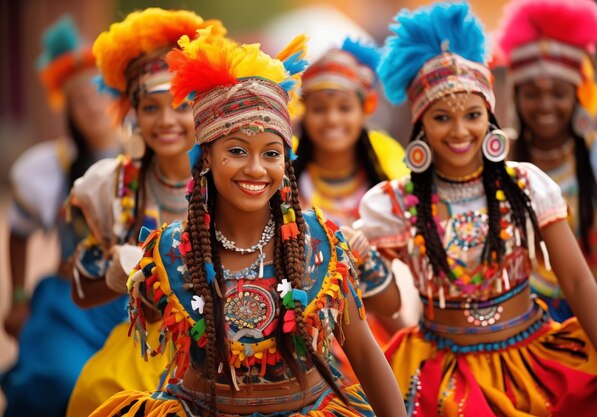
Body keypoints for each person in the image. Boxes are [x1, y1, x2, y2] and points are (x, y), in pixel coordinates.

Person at [90, 27, 406, 417]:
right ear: (205, 158)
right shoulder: (170, 250)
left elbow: (363, 352)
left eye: (271, 153)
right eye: (237, 151)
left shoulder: (320, 243)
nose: (256, 169)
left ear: (285, 162)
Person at [355, 2, 597, 415]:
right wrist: (364, 260)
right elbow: (390, 306)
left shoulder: (525, 183)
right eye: (442, 117)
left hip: (530, 352)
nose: (460, 130)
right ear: (420, 125)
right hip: (441, 370)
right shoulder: (392, 202)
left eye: (473, 115)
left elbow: (575, 279)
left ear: (490, 119)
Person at [65, 9, 219, 417]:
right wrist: (117, 275)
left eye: (178, 106)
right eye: (151, 108)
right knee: (96, 395)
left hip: (231, 350)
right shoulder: (114, 186)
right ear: (133, 114)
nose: (165, 121)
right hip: (143, 351)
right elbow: (81, 290)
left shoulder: (233, 175)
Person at [0, 16, 122, 417]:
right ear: (67, 109)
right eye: (80, 100)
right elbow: (19, 233)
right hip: (69, 300)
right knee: (62, 382)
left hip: (132, 302)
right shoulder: (47, 167)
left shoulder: (147, 154)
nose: (92, 106)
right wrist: (18, 298)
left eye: (99, 94)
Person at [497, 0, 597, 322]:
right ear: (516, 98)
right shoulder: (501, 159)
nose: (545, 105)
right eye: (532, 94)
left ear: (578, 97)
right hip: (524, 318)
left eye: (558, 93)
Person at [296, 37, 409, 383]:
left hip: (384, 311)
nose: (332, 119)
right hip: (309, 324)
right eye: (319, 108)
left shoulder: (389, 163)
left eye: (344, 108)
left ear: (367, 107)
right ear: (305, 112)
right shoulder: (281, 170)